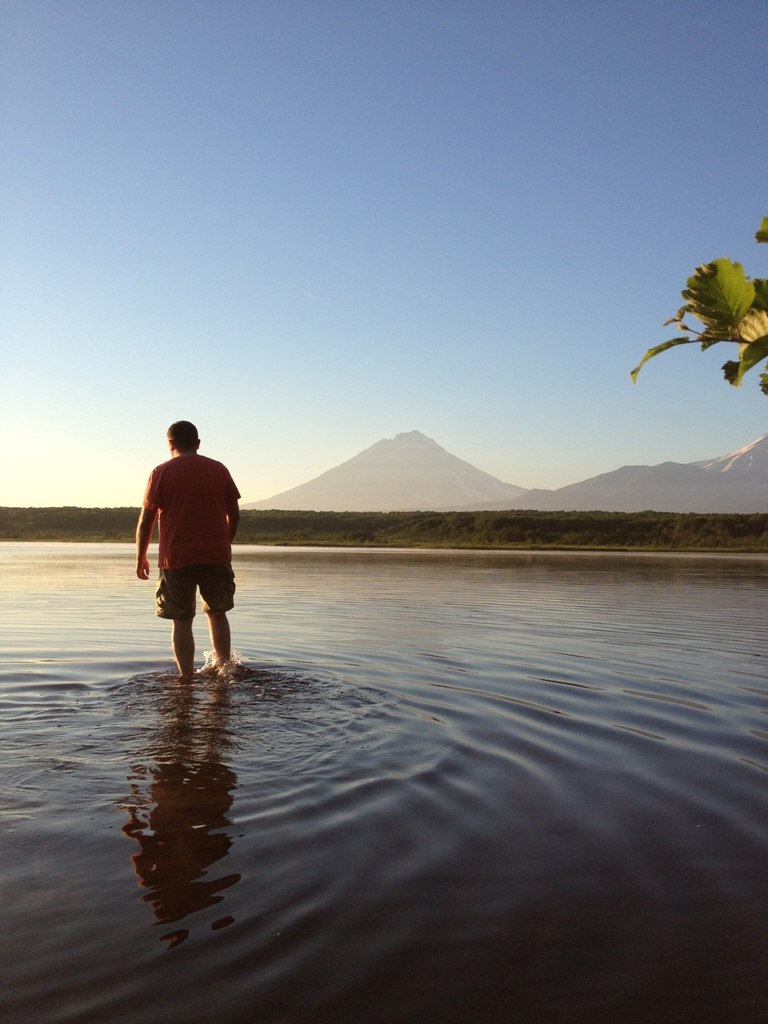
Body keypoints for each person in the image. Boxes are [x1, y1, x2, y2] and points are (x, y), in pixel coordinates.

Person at [136, 421, 241, 677]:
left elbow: (145, 521)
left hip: (176, 558)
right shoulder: (218, 470)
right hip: (215, 556)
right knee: (217, 613)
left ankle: (186, 678)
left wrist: (141, 558)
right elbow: (234, 514)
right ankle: (224, 670)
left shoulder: (160, 473)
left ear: (170, 444)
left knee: (181, 620)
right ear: (198, 443)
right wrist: (225, 543)